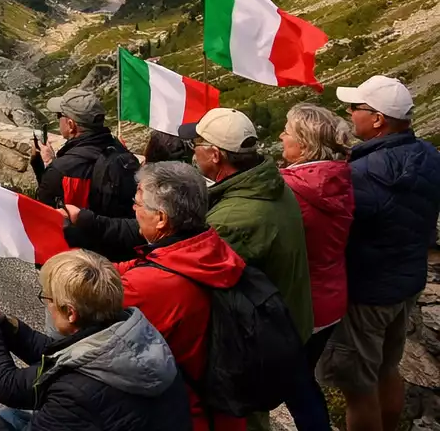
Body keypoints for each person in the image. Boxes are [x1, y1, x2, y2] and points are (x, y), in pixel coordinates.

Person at [320, 76, 440, 431]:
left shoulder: (360, 174)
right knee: (388, 368)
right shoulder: (429, 155)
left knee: (359, 387)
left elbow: (339, 230)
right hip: (407, 282)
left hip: (366, 293)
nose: (349, 113)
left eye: (356, 108)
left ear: (378, 119)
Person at [0, 249, 190, 431]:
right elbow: (53, 356)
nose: (47, 305)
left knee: (0, 417)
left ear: (70, 312)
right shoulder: (135, 335)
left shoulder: (75, 393)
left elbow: (7, 385)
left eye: (47, 298)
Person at [114, 162, 249, 431]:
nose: (134, 209)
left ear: (161, 218)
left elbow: (88, 321)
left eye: (137, 203)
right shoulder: (208, 248)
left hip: (182, 416)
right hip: (223, 411)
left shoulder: (151, 284)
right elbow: (135, 267)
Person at [182, 108, 314, 341]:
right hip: (291, 322)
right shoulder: (271, 184)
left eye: (196, 144)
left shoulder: (229, 220)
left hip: (267, 339)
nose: (194, 151)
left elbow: (194, 287)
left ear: (215, 155)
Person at [276, 103, 355, 431]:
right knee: (302, 378)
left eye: (287, 132)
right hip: (332, 297)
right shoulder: (340, 176)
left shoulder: (291, 189)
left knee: (295, 386)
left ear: (305, 145)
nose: (281, 137)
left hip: (304, 302)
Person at [34, 88, 137, 217]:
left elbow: (44, 211)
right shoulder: (120, 151)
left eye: (59, 115)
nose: (58, 119)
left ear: (71, 125)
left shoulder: (61, 169)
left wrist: (47, 165)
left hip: (83, 229)